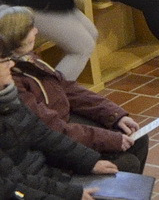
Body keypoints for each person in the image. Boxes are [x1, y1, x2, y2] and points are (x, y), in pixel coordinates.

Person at [0, 7, 148, 172]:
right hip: (51, 142)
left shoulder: (27, 57)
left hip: (64, 122)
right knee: (127, 163)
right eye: (30, 29)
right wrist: (110, 140)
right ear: (15, 36)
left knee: (138, 139)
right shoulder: (12, 81)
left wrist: (114, 115)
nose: (36, 31)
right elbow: (50, 130)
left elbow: (65, 86)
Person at [0, 51, 119, 198]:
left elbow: (42, 134)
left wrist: (87, 161)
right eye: (4, 61)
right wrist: (71, 194)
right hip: (29, 188)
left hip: (43, 177)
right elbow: (10, 186)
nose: (11, 64)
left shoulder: (9, 98)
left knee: (123, 172)